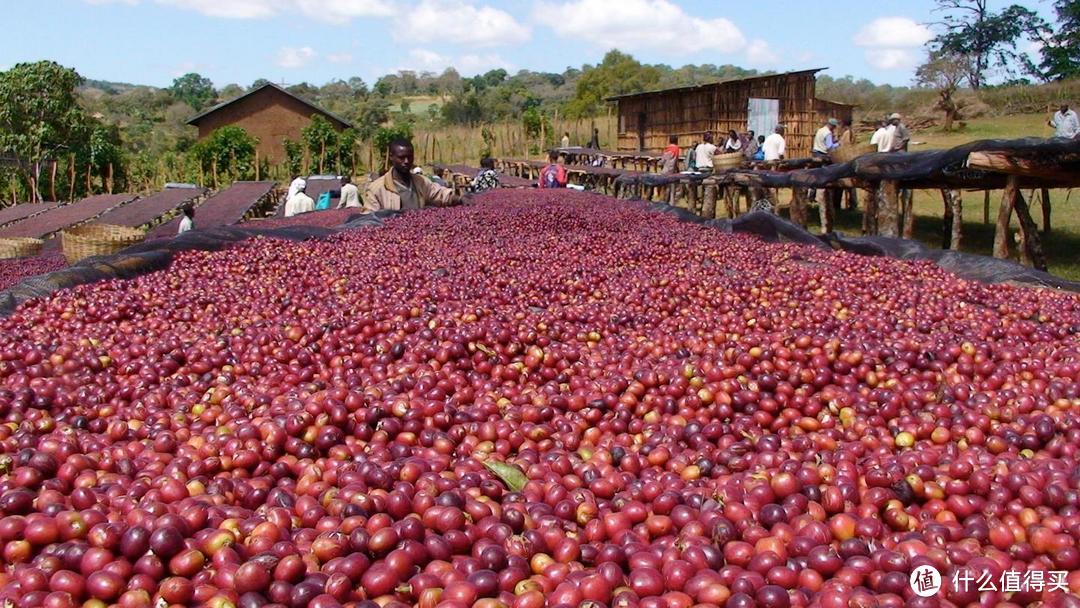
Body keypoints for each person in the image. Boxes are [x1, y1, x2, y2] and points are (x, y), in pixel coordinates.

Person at [363, 138, 464, 211]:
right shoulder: (376, 189)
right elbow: (369, 220)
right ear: (391, 157)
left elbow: (440, 195)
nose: (406, 161)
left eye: (410, 157)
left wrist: (460, 198)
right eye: (401, 157)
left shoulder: (421, 182)